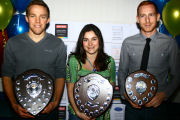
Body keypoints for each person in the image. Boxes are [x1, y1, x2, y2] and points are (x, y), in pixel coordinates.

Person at [1, 0, 66, 119]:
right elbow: (6, 75)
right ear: (26, 18)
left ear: (48, 20)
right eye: (33, 16)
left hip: (49, 109)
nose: (37, 21)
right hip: (21, 109)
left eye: (42, 17)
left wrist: (55, 103)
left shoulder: (58, 44)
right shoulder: (12, 43)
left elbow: (60, 75)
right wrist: (14, 105)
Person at [118, 1, 180, 120]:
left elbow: (176, 75)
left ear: (157, 17)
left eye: (151, 15)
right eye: (143, 16)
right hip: (132, 106)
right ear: (137, 19)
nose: (147, 20)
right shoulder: (128, 43)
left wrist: (164, 95)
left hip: (158, 107)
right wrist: (125, 95)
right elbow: (122, 72)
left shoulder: (169, 43)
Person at [66, 24, 116, 120]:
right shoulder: (74, 60)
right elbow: (70, 88)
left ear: (99, 40)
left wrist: (98, 112)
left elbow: (111, 88)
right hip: (78, 114)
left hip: (102, 114)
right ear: (81, 42)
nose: (90, 44)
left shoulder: (110, 61)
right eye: (86, 40)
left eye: (94, 39)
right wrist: (78, 113)